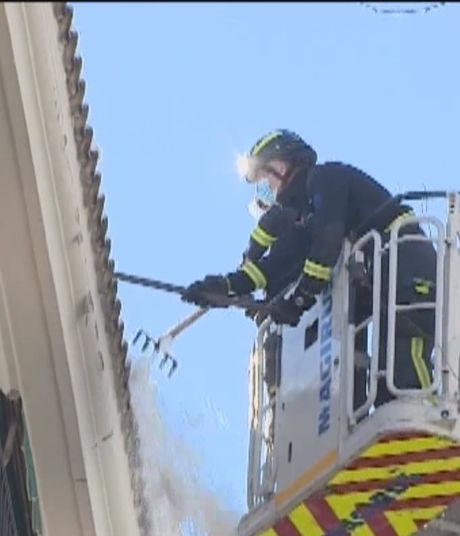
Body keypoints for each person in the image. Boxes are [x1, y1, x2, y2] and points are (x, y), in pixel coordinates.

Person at [182, 129, 438, 408]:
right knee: (386, 390)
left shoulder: (326, 179)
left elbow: (328, 243)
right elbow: (274, 264)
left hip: (409, 265)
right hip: (385, 272)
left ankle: (433, 432)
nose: (265, 190)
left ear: (281, 165)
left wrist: (299, 300)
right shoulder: (308, 215)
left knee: (404, 375)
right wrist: (225, 288)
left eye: (264, 179)